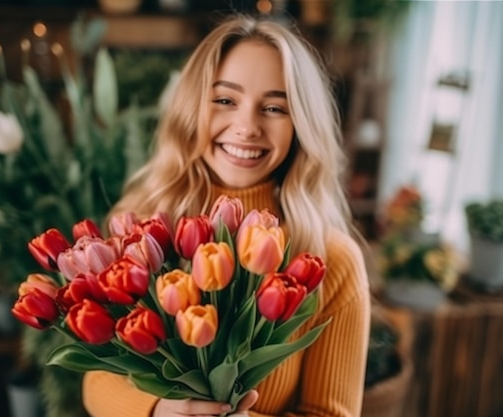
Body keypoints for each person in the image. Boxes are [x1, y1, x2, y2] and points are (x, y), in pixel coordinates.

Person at [82, 13, 371, 417]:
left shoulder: (330, 262)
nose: (247, 126)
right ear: (191, 108)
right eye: (224, 100)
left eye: (274, 108)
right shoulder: (141, 230)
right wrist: (156, 411)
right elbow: (97, 380)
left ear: (302, 125)